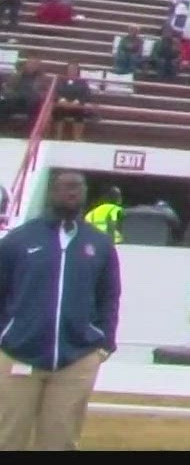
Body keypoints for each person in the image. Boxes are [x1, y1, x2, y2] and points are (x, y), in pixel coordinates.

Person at [0, 172, 121, 450]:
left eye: (79, 187)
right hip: (18, 354)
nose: (73, 193)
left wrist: (104, 343)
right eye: (66, 187)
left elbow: (109, 296)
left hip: (76, 360)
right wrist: (6, 337)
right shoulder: (18, 240)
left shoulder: (99, 244)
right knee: (8, 439)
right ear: (52, 191)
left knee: (61, 442)